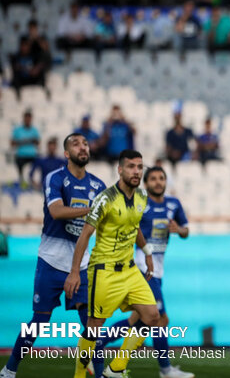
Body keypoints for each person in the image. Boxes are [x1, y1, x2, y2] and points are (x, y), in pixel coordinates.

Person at [0, 133, 106, 378]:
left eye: (86, 144)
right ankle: (9, 370)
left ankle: (99, 374)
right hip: (51, 260)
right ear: (67, 154)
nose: (83, 147)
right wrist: (93, 209)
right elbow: (56, 211)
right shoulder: (55, 178)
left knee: (93, 325)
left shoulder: (99, 186)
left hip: (81, 265)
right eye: (76, 144)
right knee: (38, 322)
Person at [64, 150, 158, 378]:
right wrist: (75, 272)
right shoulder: (105, 198)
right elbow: (85, 235)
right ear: (120, 170)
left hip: (130, 270)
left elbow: (133, 227)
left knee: (152, 316)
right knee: (94, 328)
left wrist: (146, 251)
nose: (136, 171)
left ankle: (116, 368)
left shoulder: (142, 197)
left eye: (139, 167)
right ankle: (78, 375)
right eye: (131, 167)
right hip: (104, 272)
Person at [93, 166, 193, 378]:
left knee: (137, 320)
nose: (158, 182)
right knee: (160, 319)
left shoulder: (173, 204)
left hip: (159, 269)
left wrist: (179, 229)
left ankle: (97, 345)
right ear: (146, 184)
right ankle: (164, 370)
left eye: (161, 178)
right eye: (154, 179)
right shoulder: (141, 203)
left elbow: (186, 230)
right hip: (142, 266)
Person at [11, 109, 40, 184]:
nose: (27, 120)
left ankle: (33, 180)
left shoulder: (34, 130)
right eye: (26, 118)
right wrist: (24, 141)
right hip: (21, 155)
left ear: (31, 119)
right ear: (23, 118)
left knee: (39, 161)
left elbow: (38, 142)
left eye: (29, 118)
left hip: (32, 155)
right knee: (18, 163)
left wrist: (29, 141)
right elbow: (12, 143)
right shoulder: (18, 130)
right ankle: (21, 180)